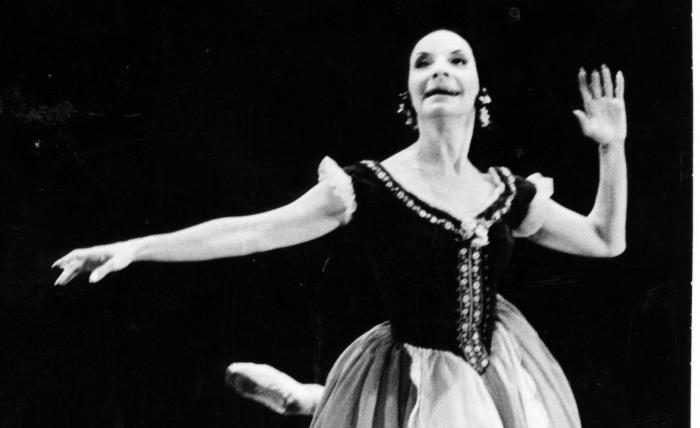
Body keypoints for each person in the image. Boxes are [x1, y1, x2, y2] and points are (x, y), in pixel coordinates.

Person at [53, 29, 626, 428]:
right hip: (410, 366)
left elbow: (606, 240)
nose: (440, 71)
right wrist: (135, 246)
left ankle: (311, 398)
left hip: (498, 367)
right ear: (410, 95)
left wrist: (612, 147)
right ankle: (318, 400)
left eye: (457, 60)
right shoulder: (369, 186)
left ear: (480, 91)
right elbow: (251, 231)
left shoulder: (507, 192)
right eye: (423, 63)